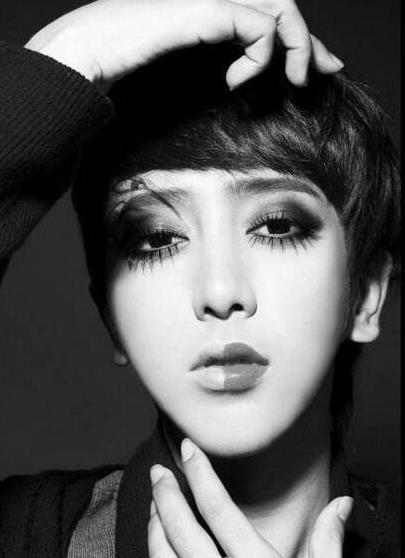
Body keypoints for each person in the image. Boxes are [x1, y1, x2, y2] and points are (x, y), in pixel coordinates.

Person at [0, 1, 400, 557]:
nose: (219, 292)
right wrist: (68, 55)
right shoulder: (29, 536)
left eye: (277, 227)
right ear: (109, 315)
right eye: (158, 240)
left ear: (366, 295)